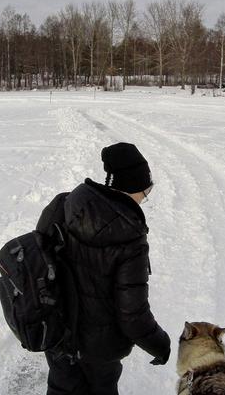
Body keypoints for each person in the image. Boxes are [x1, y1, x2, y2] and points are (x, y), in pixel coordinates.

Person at [36, 142, 170, 395]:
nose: (145, 196)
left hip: (58, 333)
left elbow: (41, 256)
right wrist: (160, 344)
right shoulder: (130, 239)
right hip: (99, 348)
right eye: (147, 189)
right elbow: (132, 315)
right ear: (134, 186)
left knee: (61, 387)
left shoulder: (65, 204)